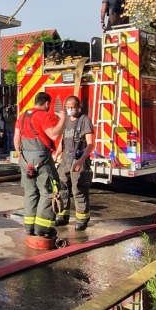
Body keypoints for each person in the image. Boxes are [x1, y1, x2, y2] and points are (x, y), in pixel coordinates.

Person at [13, 92, 66, 238]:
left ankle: (29, 227)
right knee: (49, 191)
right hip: (41, 158)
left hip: (25, 159)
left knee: (30, 192)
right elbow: (54, 135)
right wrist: (63, 120)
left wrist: (20, 156)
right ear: (47, 104)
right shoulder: (43, 116)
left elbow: (17, 138)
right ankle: (43, 228)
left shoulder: (23, 116)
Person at [54, 95, 93, 230]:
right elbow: (63, 140)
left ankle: (82, 219)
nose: (70, 110)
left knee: (78, 189)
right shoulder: (65, 121)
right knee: (62, 187)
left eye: (73, 107)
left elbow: (90, 143)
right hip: (66, 159)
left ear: (79, 107)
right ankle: (62, 216)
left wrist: (81, 160)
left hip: (79, 159)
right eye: (68, 107)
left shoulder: (84, 120)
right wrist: (57, 154)